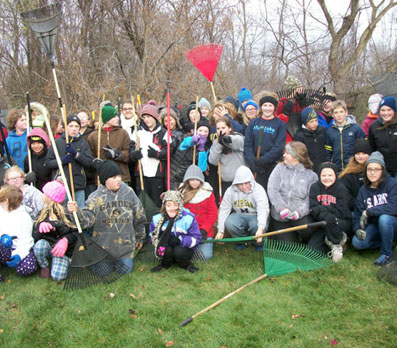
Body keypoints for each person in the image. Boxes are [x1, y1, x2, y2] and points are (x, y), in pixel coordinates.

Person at [67, 160, 146, 274]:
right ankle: (93, 259)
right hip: (103, 248)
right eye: (114, 177)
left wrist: (140, 237)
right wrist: (76, 212)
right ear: (105, 180)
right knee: (102, 273)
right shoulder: (95, 197)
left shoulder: (129, 192)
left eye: (119, 175)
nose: (118, 179)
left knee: (124, 271)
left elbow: (139, 215)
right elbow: (86, 221)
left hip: (125, 248)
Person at [352, 151, 397, 266]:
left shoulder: (393, 184)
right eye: (369, 169)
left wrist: (370, 211)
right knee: (357, 242)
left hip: (392, 224)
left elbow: (394, 206)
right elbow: (357, 213)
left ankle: (386, 255)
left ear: (383, 171)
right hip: (375, 226)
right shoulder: (364, 189)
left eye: (376, 169)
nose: (372, 172)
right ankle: (386, 242)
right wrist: (357, 228)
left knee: (384, 219)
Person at [267, 141, 318, 243]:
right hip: (281, 216)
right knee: (288, 247)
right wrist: (281, 208)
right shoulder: (279, 168)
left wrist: (299, 213)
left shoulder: (311, 176)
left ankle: (306, 239)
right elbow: (272, 189)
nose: (284, 155)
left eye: (287, 153)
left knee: (307, 230)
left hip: (299, 216)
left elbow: (309, 200)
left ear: (296, 157)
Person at [215, 165, 269, 251]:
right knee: (230, 223)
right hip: (238, 214)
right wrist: (220, 230)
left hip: (255, 215)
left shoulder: (259, 190)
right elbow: (224, 209)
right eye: (240, 184)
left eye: (246, 183)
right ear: (236, 183)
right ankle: (242, 241)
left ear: (251, 181)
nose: (244, 187)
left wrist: (260, 228)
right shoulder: (230, 191)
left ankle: (259, 243)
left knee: (256, 225)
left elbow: (263, 210)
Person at [33, 180, 77, 281]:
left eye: (44, 193)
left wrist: (66, 240)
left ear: (50, 197)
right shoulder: (43, 213)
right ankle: (44, 266)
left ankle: (66, 261)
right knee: (39, 246)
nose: (42, 195)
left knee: (58, 276)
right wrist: (40, 226)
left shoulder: (67, 215)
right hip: (49, 245)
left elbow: (77, 233)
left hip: (63, 251)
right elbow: (34, 237)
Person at [46, 114, 93, 208]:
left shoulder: (82, 143)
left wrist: (76, 155)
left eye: (76, 126)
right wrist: (62, 161)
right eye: (71, 126)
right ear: (65, 127)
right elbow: (48, 163)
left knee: (78, 213)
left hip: (77, 186)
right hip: (61, 186)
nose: (74, 129)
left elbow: (88, 162)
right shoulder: (57, 143)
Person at [149, 190, 202, 273]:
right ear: (164, 206)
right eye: (168, 205)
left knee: (179, 251)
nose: (172, 208)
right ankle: (165, 264)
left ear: (180, 206)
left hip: (182, 248)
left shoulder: (188, 218)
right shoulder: (156, 219)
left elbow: (197, 238)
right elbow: (151, 237)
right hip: (166, 247)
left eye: (175, 205)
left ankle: (185, 264)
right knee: (166, 249)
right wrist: (163, 239)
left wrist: (180, 240)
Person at [129, 102, 170, 207]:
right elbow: (130, 149)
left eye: (149, 117)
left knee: (156, 203)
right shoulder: (138, 132)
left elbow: (168, 152)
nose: (146, 120)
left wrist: (156, 154)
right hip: (141, 174)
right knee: (142, 203)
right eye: (144, 117)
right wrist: (134, 154)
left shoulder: (163, 133)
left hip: (157, 175)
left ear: (155, 117)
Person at [309, 163, 351, 262]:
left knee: (331, 221)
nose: (327, 178)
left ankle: (337, 244)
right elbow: (314, 209)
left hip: (341, 221)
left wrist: (323, 209)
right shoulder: (314, 187)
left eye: (330, 175)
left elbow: (341, 211)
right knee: (312, 251)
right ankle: (332, 242)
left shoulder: (341, 188)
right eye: (324, 175)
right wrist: (325, 214)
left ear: (335, 176)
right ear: (319, 176)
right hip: (323, 222)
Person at [244, 95, 286, 191]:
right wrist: (252, 161)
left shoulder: (280, 124)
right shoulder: (253, 123)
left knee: (270, 191)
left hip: (270, 165)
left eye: (270, 106)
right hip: (255, 165)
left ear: (274, 107)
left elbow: (279, 147)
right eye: (265, 105)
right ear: (261, 107)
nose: (267, 108)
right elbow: (247, 144)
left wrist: (264, 160)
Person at [179, 165, 217, 260]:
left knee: (205, 255)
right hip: (187, 230)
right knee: (180, 252)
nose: (195, 182)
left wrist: (204, 230)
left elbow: (212, 214)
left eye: (197, 179)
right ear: (187, 180)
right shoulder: (182, 192)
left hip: (203, 230)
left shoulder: (207, 192)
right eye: (192, 180)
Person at [0, 185, 37, 281]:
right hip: (2, 247)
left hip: (18, 247)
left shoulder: (24, 217)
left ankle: (11, 262)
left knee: (27, 268)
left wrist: (19, 255)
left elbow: (26, 240)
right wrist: (2, 236)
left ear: (7, 200)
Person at [87, 105, 131, 185]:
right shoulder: (94, 136)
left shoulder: (123, 133)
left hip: (121, 177)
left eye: (117, 116)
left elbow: (128, 155)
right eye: (114, 117)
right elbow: (89, 156)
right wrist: (95, 162)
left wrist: (117, 154)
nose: (117, 118)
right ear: (106, 118)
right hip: (103, 178)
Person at [208, 116, 246, 196]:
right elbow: (213, 161)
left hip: (241, 181)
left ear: (229, 128)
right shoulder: (216, 142)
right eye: (218, 129)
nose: (220, 130)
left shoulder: (238, 136)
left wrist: (226, 140)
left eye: (223, 128)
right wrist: (219, 144)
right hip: (225, 182)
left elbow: (238, 142)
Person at [325, 100, 365, 172]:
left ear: (346, 112)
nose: (339, 115)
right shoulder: (330, 131)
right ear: (332, 115)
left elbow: (363, 148)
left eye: (341, 112)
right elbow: (328, 151)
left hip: (353, 168)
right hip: (337, 169)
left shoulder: (356, 129)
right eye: (336, 112)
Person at [170, 119, 211, 188]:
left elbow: (202, 168)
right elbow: (185, 143)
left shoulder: (205, 149)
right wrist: (193, 140)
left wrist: (201, 149)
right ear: (196, 131)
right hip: (175, 177)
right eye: (200, 130)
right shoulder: (186, 138)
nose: (203, 133)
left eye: (206, 131)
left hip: (189, 180)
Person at [339, 138, 371, 213]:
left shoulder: (376, 170)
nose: (360, 156)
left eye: (364, 153)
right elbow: (345, 196)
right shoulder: (348, 173)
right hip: (355, 210)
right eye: (358, 154)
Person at [367, 96, 397, 177]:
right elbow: (371, 148)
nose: (386, 113)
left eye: (389, 110)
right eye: (383, 110)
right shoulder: (374, 126)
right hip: (382, 170)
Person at [294, 107, 327, 173]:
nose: (315, 124)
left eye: (316, 120)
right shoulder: (300, 136)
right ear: (305, 122)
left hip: (324, 166)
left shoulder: (322, 130)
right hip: (309, 168)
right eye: (311, 121)